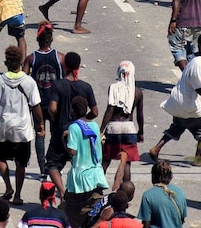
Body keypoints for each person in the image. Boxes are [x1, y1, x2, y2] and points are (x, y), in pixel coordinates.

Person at [0, 46, 43, 204]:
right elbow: (36, 106)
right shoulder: (29, 82)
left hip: (4, 127)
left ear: (6, 63)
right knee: (20, 163)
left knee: (1, 158)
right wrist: (41, 124)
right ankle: (17, 195)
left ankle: (8, 187)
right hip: (22, 129)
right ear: (21, 62)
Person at [149, 32, 201, 161]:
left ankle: (156, 148)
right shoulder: (200, 64)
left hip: (176, 100)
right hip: (186, 103)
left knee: (179, 124)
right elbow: (199, 89)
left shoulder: (195, 59)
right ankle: (198, 159)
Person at [45, 52, 99, 197]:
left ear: (65, 66)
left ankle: (62, 192)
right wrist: (83, 120)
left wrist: (56, 120)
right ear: (78, 67)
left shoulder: (57, 85)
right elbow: (95, 112)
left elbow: (52, 108)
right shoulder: (85, 87)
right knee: (81, 163)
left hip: (61, 131)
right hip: (81, 132)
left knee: (52, 164)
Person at [23, 21, 64, 177]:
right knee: (55, 135)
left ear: (37, 39)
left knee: (40, 132)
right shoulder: (60, 57)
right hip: (55, 104)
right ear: (51, 39)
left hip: (37, 103)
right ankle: (51, 164)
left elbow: (24, 80)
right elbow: (66, 79)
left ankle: (42, 168)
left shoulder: (31, 58)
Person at [63, 95, 108, 228]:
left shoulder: (73, 127)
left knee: (73, 214)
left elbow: (72, 151)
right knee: (94, 214)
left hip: (80, 178)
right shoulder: (94, 125)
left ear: (73, 111)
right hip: (96, 175)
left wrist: (64, 140)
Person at [99, 61, 143, 191]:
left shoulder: (113, 88)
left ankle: (97, 189)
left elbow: (110, 110)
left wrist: (101, 130)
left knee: (106, 160)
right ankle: (125, 192)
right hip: (129, 127)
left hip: (113, 127)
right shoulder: (137, 92)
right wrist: (141, 132)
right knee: (127, 163)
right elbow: (140, 115)